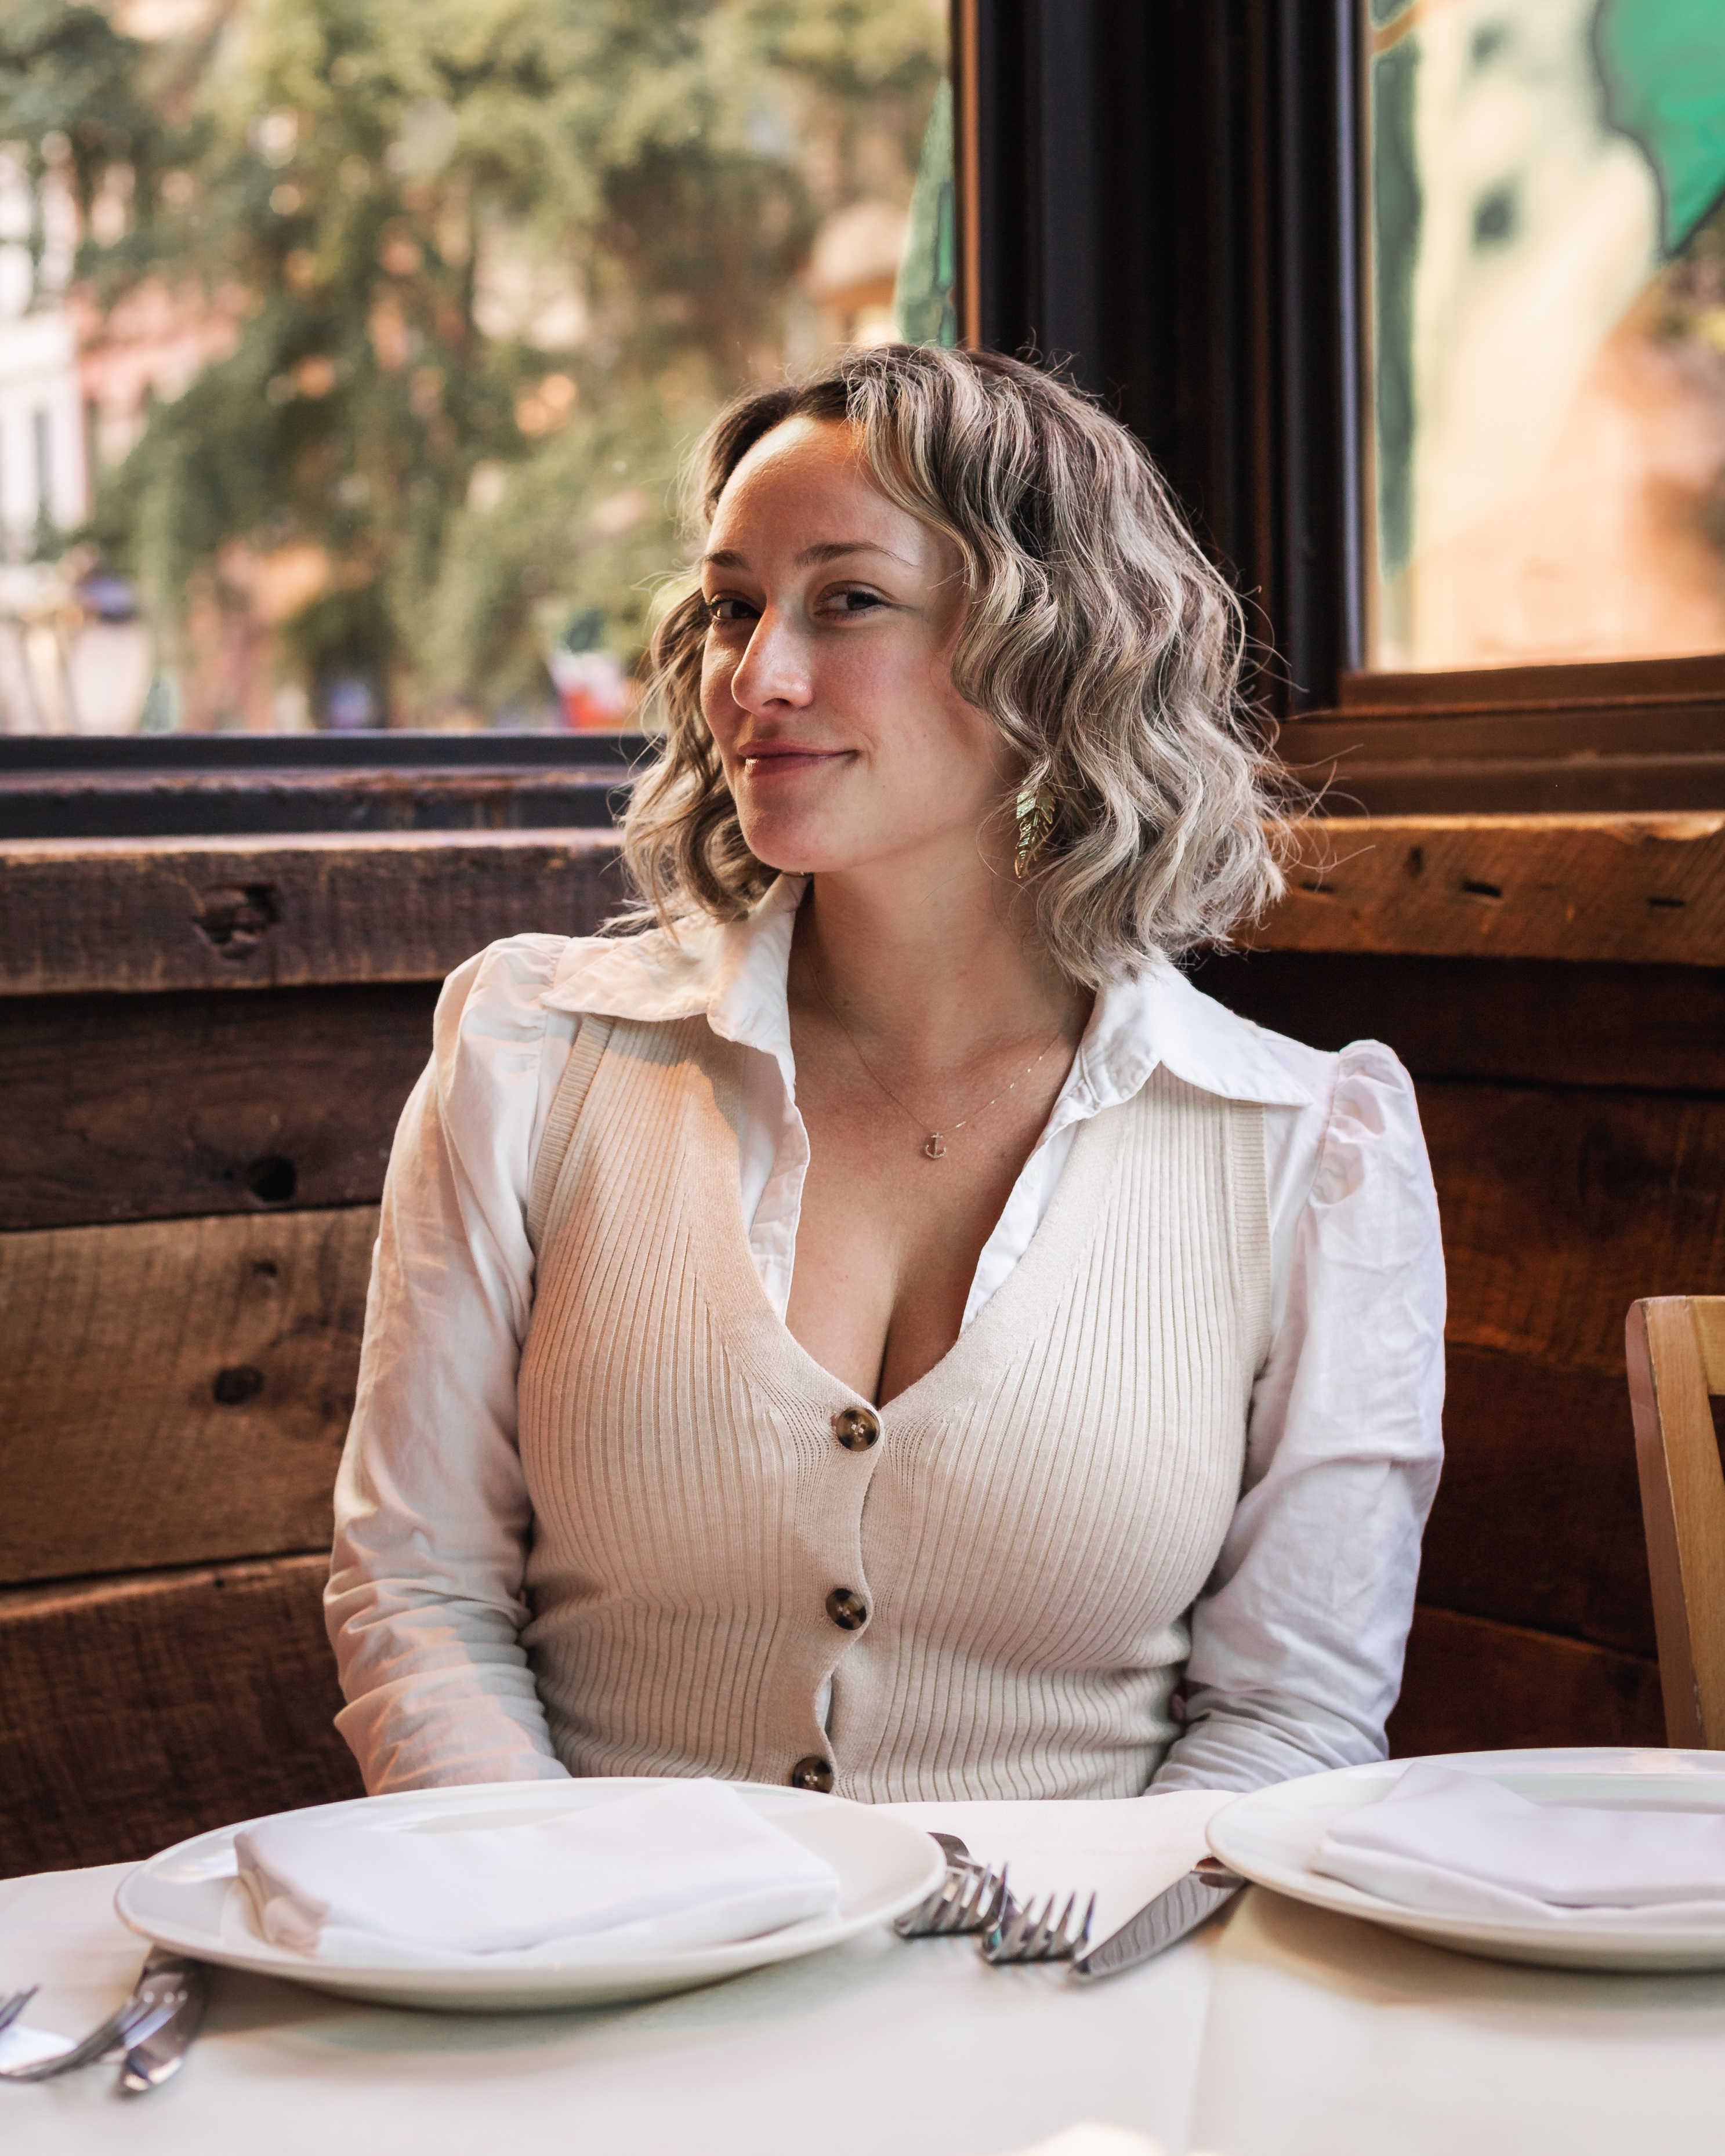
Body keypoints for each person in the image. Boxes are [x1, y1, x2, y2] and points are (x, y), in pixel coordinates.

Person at [326, 344, 1445, 1803]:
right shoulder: (533, 1053)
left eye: (845, 601)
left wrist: (1060, 1988)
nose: (755, 678)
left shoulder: (1310, 1150)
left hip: (1080, 1993)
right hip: (598, 1980)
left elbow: (1287, 1721)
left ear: (1050, 655)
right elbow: (420, 1602)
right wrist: (562, 1934)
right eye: (733, 607)